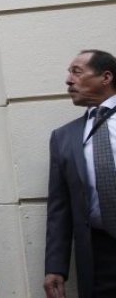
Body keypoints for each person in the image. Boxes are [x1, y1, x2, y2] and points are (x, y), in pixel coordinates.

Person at [44, 49, 116, 298]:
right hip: (99, 258)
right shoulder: (63, 137)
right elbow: (59, 208)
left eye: (76, 72)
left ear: (106, 77)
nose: (68, 80)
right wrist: (55, 267)